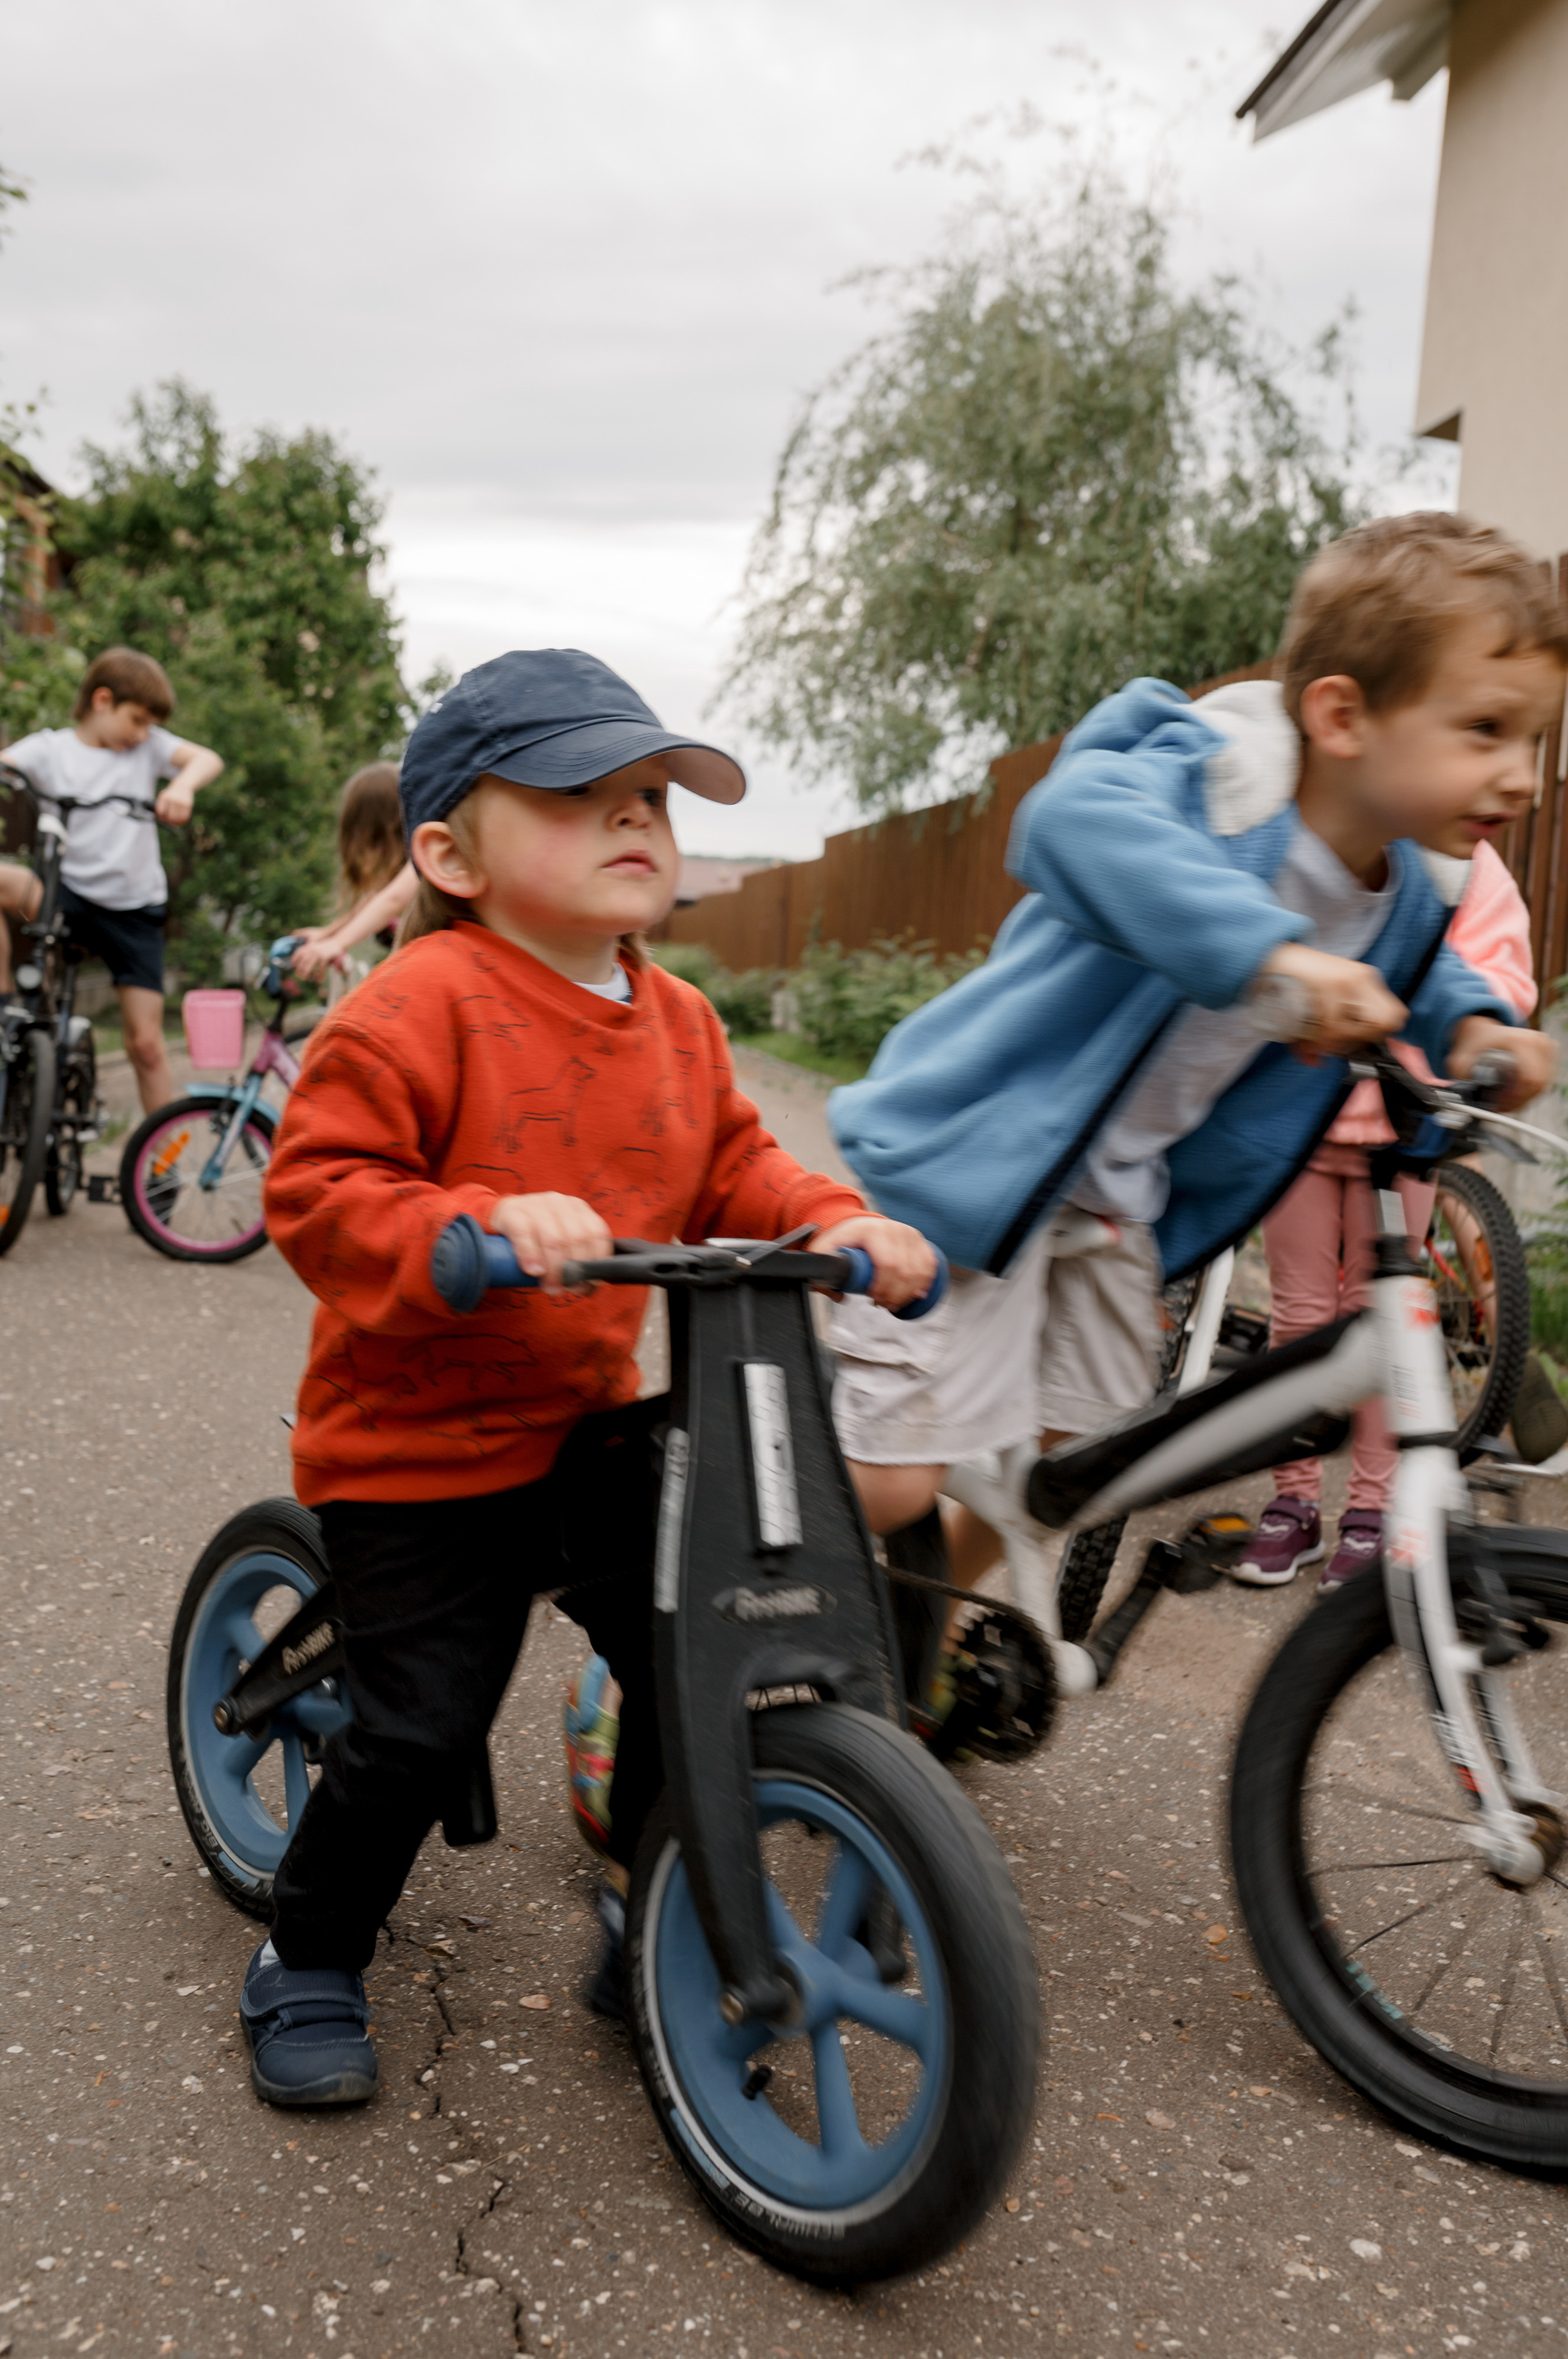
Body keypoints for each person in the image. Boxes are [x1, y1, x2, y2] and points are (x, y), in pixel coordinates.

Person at [243, 646, 933, 2109]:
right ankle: (307, 1949)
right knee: (421, 1724)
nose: (634, 821)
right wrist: (472, 1225)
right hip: (414, 1452)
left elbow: (732, 1163)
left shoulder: (674, 1016)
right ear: (448, 852)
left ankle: (661, 1907)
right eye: (578, 796)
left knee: (703, 1670)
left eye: (650, 799)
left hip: (582, 1427)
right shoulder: (414, 1004)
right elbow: (318, 1189)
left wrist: (830, 1220)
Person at [824, 513, 1564, 1628]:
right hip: (983, 1166)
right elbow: (1070, 824)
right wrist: (1270, 957)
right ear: (1343, 715)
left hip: (1124, 1203)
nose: (1524, 775)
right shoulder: (1223, 778)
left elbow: (1421, 984)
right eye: (1487, 730)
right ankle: (742, 1595)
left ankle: (903, 1643)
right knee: (890, 1481)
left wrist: (1477, 1035)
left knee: (1075, 1467)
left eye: (1535, 742)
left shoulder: (1411, 888)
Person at [1242, 836, 1540, 1593]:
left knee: (1378, 1324)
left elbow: (1496, 974)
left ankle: (1369, 1513)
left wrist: (1468, 1030)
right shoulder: (1341, 836)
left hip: (1405, 1121)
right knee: (1300, 1315)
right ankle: (1294, 1504)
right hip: (1302, 1111)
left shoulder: (1469, 869)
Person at [0, 648, 223, 1111]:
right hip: (64, 895)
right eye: (137, 720)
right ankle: (0, 999)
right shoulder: (50, 749)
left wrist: (182, 785)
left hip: (134, 908)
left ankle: (160, 1164)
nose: (143, 733)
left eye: (150, 725)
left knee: (146, 1046)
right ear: (102, 700)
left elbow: (207, 759)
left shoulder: (148, 748)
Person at [288, 760, 418, 984]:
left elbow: (393, 899)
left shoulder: (423, 857)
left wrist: (337, 943)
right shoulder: (400, 868)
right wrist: (329, 933)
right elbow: (373, 900)